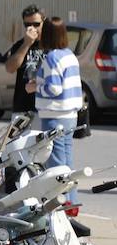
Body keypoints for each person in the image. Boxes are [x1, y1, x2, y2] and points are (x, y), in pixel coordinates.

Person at [28, 16, 81, 174]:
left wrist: (35, 87)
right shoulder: (69, 55)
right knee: (67, 157)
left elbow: (54, 88)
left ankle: (61, 198)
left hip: (54, 115)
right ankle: (70, 197)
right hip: (71, 114)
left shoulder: (52, 58)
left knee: (56, 161)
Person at [4, 4, 46, 115]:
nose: (32, 28)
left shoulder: (50, 45)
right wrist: (26, 44)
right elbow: (10, 68)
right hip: (23, 107)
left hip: (45, 107)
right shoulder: (20, 45)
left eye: (36, 24)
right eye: (28, 24)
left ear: (43, 23)